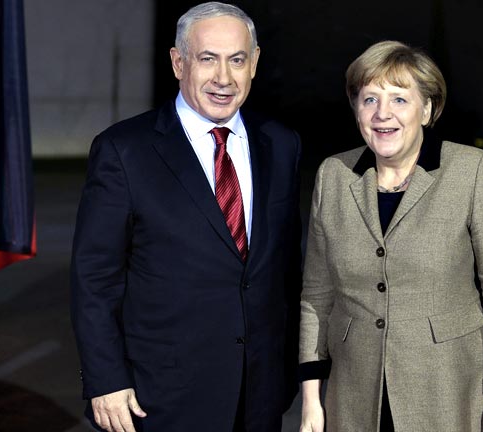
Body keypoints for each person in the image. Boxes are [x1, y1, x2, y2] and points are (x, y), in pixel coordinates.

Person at [71, 2, 302, 431]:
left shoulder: (281, 143)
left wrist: (288, 372)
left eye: (236, 60)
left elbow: (286, 271)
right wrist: (106, 379)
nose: (223, 78)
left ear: (254, 63)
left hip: (259, 394)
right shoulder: (124, 150)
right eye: (208, 59)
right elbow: (95, 278)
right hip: (160, 396)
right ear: (179, 63)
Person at [298, 40, 483, 432]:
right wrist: (311, 399)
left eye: (399, 99)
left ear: (427, 109)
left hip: (445, 390)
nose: (382, 114)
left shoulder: (472, 171)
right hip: (353, 397)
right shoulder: (334, 175)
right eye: (369, 99)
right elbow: (317, 294)